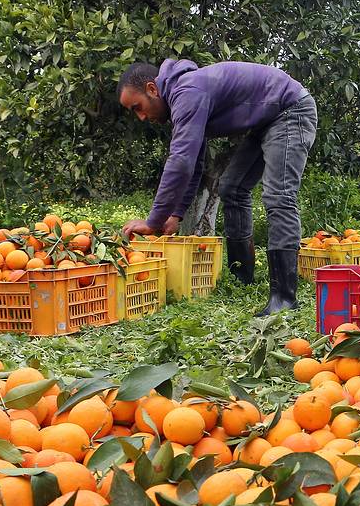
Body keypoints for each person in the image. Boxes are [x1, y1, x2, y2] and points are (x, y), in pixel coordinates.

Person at [117, 59, 317, 316]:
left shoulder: (187, 93)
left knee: (279, 196)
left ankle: (284, 297)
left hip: (291, 110)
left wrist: (153, 221)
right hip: (267, 120)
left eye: (138, 107)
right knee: (232, 187)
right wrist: (175, 214)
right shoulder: (184, 96)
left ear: (152, 89)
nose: (141, 117)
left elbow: (180, 163)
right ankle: (241, 277)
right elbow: (193, 162)